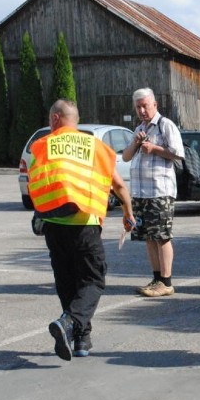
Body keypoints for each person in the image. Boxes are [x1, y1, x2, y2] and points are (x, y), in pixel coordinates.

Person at [29, 99, 135, 360]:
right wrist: (128, 214)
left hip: (54, 226)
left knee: (66, 281)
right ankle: (70, 323)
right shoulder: (96, 147)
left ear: (55, 118)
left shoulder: (43, 145)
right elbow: (119, 187)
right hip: (85, 225)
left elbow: (35, 179)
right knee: (93, 280)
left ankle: (81, 340)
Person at [122, 88, 184, 297]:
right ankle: (156, 278)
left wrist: (155, 148)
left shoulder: (165, 125)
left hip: (160, 191)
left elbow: (178, 154)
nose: (141, 110)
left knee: (162, 236)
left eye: (145, 106)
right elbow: (126, 157)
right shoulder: (139, 128)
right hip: (141, 192)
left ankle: (166, 282)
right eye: (138, 107)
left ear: (155, 105)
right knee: (148, 237)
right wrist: (136, 143)